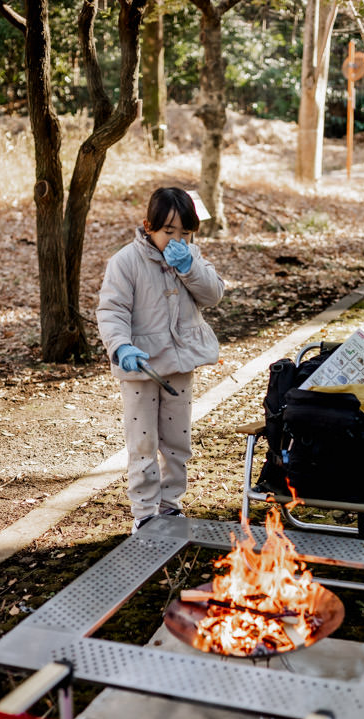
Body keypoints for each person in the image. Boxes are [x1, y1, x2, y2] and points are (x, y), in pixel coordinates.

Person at [97, 187, 224, 532]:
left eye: (184, 232)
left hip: (180, 364)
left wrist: (189, 268)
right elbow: (112, 310)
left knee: (177, 440)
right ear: (148, 226)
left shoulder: (191, 257)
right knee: (143, 442)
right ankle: (145, 512)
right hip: (141, 367)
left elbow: (213, 295)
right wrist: (121, 346)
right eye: (169, 231)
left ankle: (169, 505)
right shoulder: (126, 262)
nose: (176, 239)